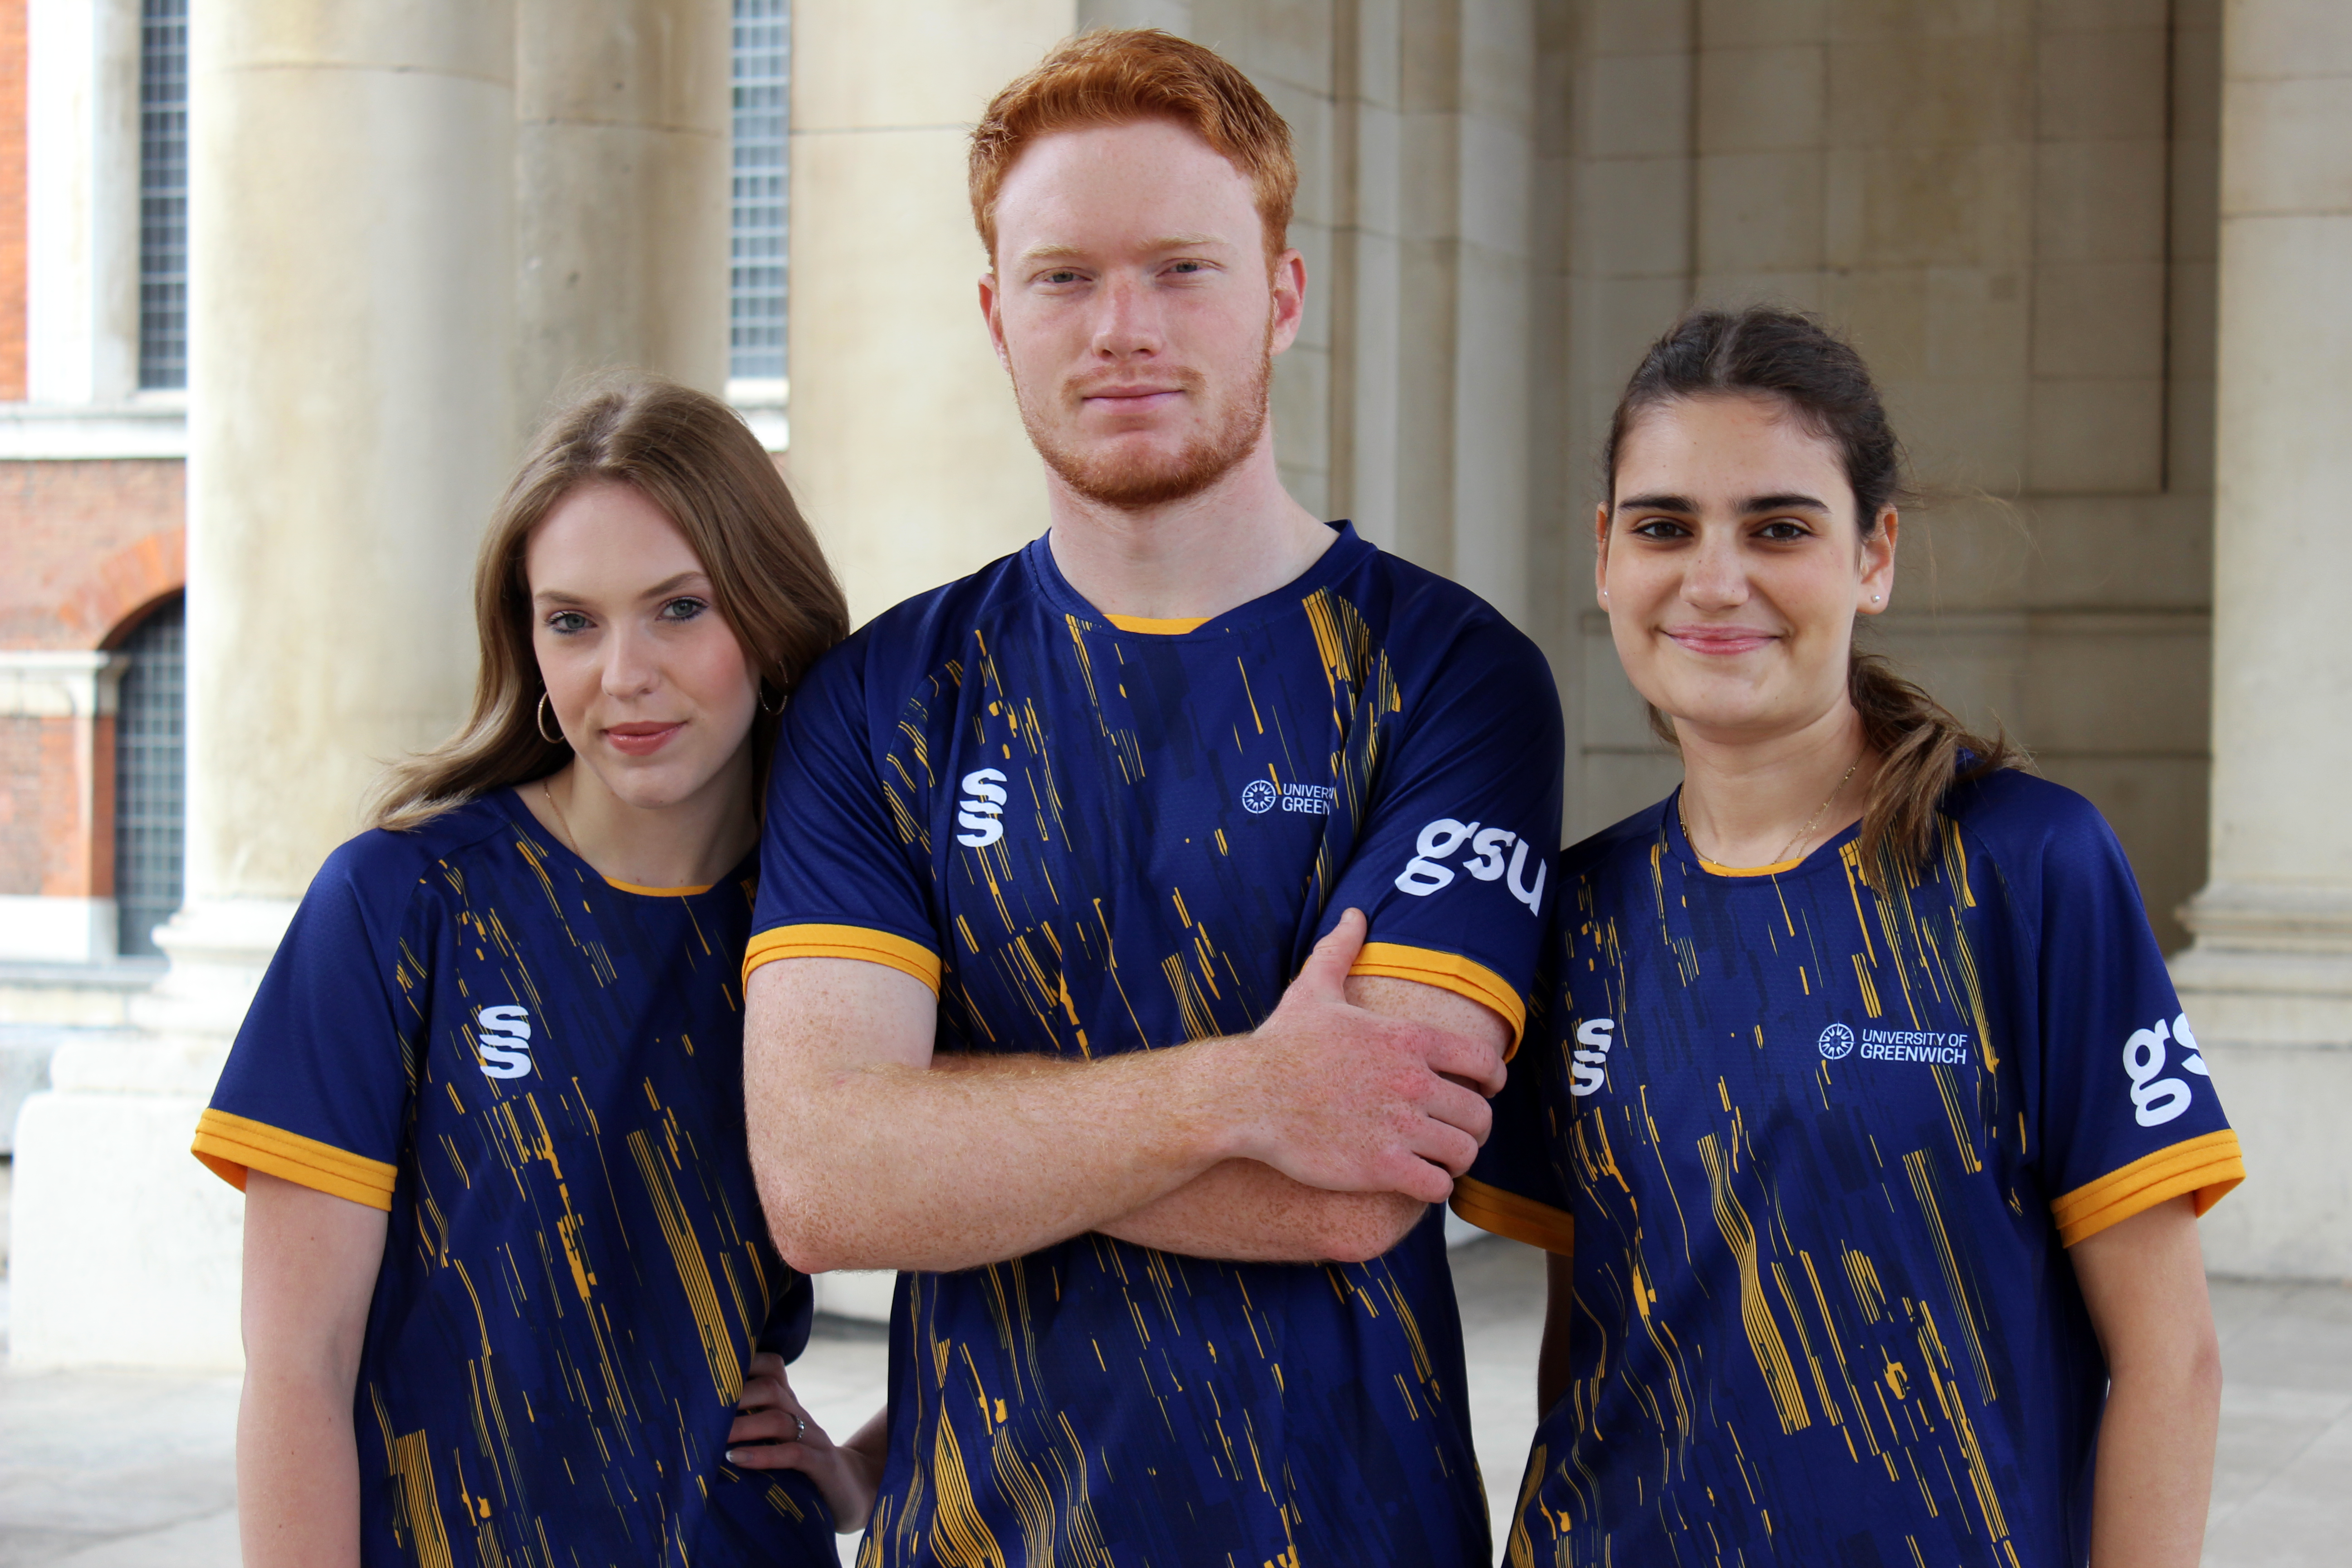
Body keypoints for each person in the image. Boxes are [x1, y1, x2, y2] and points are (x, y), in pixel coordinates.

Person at [728, 28, 1563, 1566]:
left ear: (1282, 299)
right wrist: (1247, 1092)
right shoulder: (885, 697)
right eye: (1063, 278)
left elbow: (1361, 1184)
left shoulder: (1448, 675)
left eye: (1184, 270)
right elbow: (828, 1185)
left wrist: (959, 1137)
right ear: (995, 315)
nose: (1123, 328)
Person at [1453, 306, 2245, 1566]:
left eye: (1779, 527)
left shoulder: (2027, 868)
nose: (1716, 580)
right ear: (1606, 557)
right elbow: (1590, 1345)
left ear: (1873, 556)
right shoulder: (1582, 911)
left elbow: (2173, 1361)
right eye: (1664, 527)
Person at [189, 376, 867, 1564]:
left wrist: (865, 1468)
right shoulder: (405, 905)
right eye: (573, 621)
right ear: (527, 641)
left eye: (678, 609)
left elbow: (1047, 1217)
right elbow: (299, 1367)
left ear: (767, 616)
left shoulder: (839, 932)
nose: (624, 673)